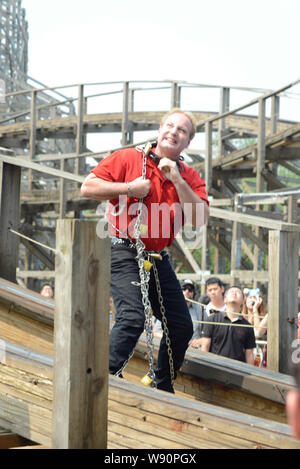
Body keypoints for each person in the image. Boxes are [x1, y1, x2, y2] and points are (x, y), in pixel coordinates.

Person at [80, 108, 209, 393]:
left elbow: (200, 218)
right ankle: (104, 378)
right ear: (160, 129)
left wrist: (177, 179)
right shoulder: (129, 157)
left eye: (182, 131)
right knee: (132, 318)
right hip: (123, 248)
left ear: (187, 143)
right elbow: (87, 187)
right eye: (171, 126)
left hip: (156, 256)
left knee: (181, 327)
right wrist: (127, 188)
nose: (174, 132)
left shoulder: (189, 176)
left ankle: (161, 383)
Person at [201, 286, 256, 365]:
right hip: (214, 368)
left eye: (238, 292)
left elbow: (249, 354)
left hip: (238, 371)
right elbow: (205, 347)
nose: (234, 293)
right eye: (231, 292)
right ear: (225, 300)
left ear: (243, 301)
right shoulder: (212, 319)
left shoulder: (247, 326)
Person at [153, 279, 208, 349]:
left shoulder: (201, 310)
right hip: (173, 350)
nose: (187, 291)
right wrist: (173, 340)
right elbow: (156, 332)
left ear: (194, 293)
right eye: (184, 289)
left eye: (190, 289)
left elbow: (208, 335)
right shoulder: (168, 309)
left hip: (195, 352)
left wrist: (200, 341)